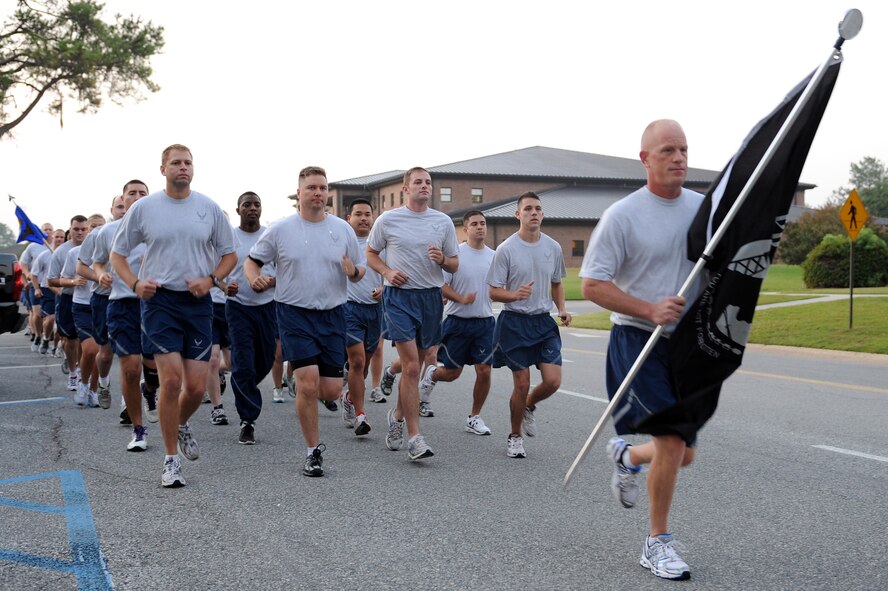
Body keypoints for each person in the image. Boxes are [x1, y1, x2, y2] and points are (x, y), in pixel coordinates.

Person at [580, 119, 703, 581]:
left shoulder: (706, 209)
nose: (679, 158)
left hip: (688, 346)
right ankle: (657, 543)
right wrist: (649, 308)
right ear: (645, 158)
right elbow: (592, 284)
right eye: (668, 150)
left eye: (684, 150)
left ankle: (628, 457)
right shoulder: (624, 215)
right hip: (638, 340)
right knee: (671, 442)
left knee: (683, 453)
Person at [111, 145, 236, 488]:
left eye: (188, 163)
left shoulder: (208, 208)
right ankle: (170, 461)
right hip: (159, 302)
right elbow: (118, 255)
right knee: (171, 382)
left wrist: (211, 280)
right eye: (176, 163)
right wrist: (135, 283)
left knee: (196, 387)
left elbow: (229, 255)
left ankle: (179, 423)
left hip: (197, 303)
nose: (183, 168)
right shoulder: (144, 208)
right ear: (163, 169)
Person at [244, 166, 363, 477]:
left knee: (331, 391)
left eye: (323, 188)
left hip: (333, 314)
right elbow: (252, 262)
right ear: (299, 193)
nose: (318, 193)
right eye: (311, 187)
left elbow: (360, 270)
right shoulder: (282, 229)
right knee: (309, 386)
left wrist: (353, 272)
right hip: (294, 313)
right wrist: (255, 279)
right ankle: (313, 452)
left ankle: (300, 381)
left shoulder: (342, 229)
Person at [366, 167, 459, 461]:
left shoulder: (442, 222)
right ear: (406, 188)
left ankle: (396, 415)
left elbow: (455, 264)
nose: (424, 185)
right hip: (399, 298)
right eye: (418, 181)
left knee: (415, 367)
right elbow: (370, 253)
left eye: (428, 182)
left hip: (431, 298)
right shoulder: (389, 220)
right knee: (411, 368)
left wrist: (443, 259)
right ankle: (415, 438)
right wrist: (387, 271)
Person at [487, 192, 571, 459]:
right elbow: (493, 291)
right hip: (514, 323)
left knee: (553, 381)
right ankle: (514, 436)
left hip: (543, 324)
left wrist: (562, 309)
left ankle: (529, 406)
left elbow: (557, 282)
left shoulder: (553, 247)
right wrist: (515, 295)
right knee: (522, 384)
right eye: (528, 209)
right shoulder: (506, 249)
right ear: (518, 215)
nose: (533, 213)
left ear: (542, 214)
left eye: (538, 209)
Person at [419, 210, 495, 435]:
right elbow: (441, 286)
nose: (480, 227)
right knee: (452, 374)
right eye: (474, 224)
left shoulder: (494, 256)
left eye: (483, 223)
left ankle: (474, 417)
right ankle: (432, 374)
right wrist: (461, 298)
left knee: (484, 370)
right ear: (465, 229)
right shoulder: (456, 255)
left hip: (485, 323)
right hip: (457, 322)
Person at [93, 179, 154, 450]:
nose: (138, 196)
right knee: (130, 368)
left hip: (156, 304)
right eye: (132, 193)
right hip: (121, 304)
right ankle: (139, 430)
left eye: (143, 193)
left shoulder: (158, 228)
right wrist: (101, 274)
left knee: (158, 370)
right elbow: (96, 262)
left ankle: (150, 390)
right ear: (123, 199)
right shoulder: (108, 232)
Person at [225, 191, 280, 445]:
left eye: (257, 204)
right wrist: (226, 287)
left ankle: (242, 383)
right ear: (238, 210)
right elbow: (216, 271)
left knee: (267, 359)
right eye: (246, 205)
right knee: (243, 362)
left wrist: (271, 282)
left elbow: (285, 272)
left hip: (267, 307)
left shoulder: (270, 236)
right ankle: (248, 420)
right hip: (238, 307)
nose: (252, 208)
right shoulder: (229, 238)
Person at [340, 198, 384, 436]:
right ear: (350, 218)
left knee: (363, 366)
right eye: (358, 214)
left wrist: (384, 290)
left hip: (374, 310)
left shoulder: (380, 245)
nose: (364, 218)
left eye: (368, 214)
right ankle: (360, 416)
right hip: (349, 308)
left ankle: (348, 397)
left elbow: (390, 272)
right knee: (356, 362)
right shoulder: (343, 242)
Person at [78, 197, 125, 410]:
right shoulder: (99, 234)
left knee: (132, 354)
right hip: (104, 299)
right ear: (112, 210)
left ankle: (127, 404)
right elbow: (82, 267)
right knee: (105, 355)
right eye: (120, 207)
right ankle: (103, 385)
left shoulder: (147, 232)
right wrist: (100, 277)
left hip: (134, 299)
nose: (124, 211)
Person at [67, 213, 106, 407]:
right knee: (90, 350)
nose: (98, 231)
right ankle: (83, 383)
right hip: (82, 305)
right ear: (88, 231)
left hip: (103, 303)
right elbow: (60, 278)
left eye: (102, 226)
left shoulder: (111, 249)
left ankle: (93, 390)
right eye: (94, 227)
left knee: (100, 352)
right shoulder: (75, 254)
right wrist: (74, 281)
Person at [48, 216, 89, 394]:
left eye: (83, 229)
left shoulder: (94, 247)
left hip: (88, 301)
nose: (80, 232)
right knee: (70, 340)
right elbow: (51, 280)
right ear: (70, 230)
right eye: (76, 229)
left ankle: (80, 371)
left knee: (84, 341)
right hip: (67, 299)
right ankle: (73, 373)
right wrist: (72, 282)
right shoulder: (62, 251)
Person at [19, 222, 54, 348]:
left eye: (50, 229)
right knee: (37, 313)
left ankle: (47, 335)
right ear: (41, 232)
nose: (48, 232)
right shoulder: (33, 247)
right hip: (35, 283)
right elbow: (23, 263)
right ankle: (38, 335)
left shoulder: (57, 246)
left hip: (51, 284)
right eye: (45, 230)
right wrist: (27, 273)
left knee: (50, 315)